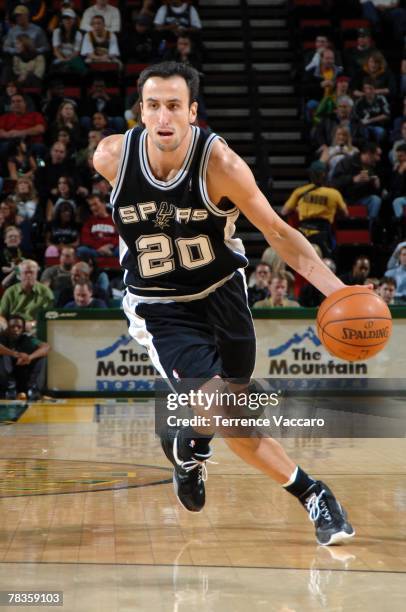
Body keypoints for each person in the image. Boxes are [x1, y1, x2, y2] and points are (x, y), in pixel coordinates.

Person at [93, 61, 357, 546]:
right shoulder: (111, 156)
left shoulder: (222, 164)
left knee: (236, 396)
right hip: (160, 306)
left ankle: (189, 444)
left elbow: (278, 233)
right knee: (228, 410)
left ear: (192, 112)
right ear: (141, 112)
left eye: (174, 105)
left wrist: (337, 291)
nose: (163, 116)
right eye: (153, 106)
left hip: (222, 295)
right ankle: (315, 494)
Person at [281, 161, 349, 257]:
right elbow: (345, 214)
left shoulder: (300, 191)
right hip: (323, 235)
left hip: (303, 235)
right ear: (324, 175)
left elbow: (284, 211)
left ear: (311, 175)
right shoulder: (334, 194)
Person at [331, 141, 382, 230]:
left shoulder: (372, 166)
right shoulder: (346, 162)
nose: (378, 159)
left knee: (375, 200)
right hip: (344, 198)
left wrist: (375, 185)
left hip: (361, 198)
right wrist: (353, 179)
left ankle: (369, 230)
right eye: (376, 155)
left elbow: (372, 191)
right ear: (368, 154)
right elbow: (334, 183)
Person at [0, 314, 50, 400]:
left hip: (24, 377)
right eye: (12, 326)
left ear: (23, 329)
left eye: (19, 327)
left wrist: (30, 357)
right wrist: (15, 354)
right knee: (4, 356)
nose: (16, 329)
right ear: (8, 328)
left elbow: (46, 347)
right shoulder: (2, 338)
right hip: (7, 379)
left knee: (43, 357)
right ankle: (9, 389)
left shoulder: (27, 338)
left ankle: (34, 389)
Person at [0, 259, 54, 331]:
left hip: (35, 328)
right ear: (19, 275)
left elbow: (48, 317)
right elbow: (1, 315)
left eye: (31, 272)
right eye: (25, 272)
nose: (29, 275)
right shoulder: (10, 292)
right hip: (12, 328)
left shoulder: (46, 292)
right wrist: (6, 326)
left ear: (36, 274)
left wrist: (32, 324)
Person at [77, 193, 118, 258]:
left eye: (95, 204)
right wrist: (99, 247)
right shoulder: (89, 221)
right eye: (91, 206)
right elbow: (86, 239)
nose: (93, 208)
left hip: (112, 249)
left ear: (103, 204)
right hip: (95, 250)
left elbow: (119, 237)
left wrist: (111, 245)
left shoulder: (114, 220)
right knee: (81, 250)